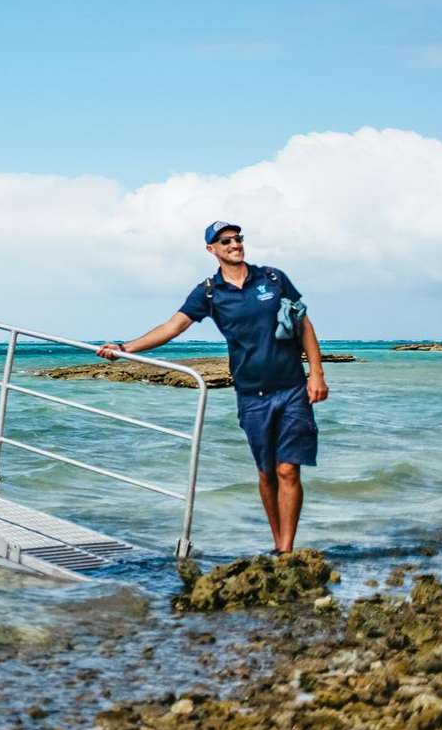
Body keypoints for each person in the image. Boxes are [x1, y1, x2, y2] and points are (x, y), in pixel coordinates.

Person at [96, 222, 329, 555]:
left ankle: (287, 550)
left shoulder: (273, 278)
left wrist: (316, 373)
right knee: (266, 474)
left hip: (292, 387)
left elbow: (303, 323)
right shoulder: (209, 291)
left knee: (288, 469)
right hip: (252, 395)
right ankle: (278, 544)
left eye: (238, 239)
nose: (235, 244)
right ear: (212, 249)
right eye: (226, 241)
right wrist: (125, 348)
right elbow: (172, 327)